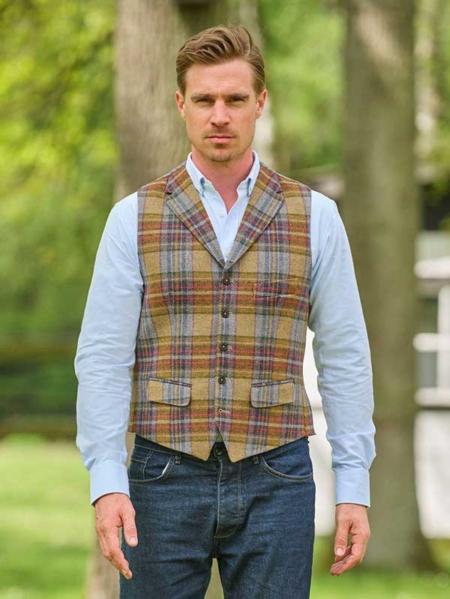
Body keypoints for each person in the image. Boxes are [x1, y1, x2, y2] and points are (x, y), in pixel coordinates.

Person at [74, 24, 376, 599]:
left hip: (278, 476)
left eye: (235, 99)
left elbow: (346, 355)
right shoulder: (133, 217)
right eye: (205, 99)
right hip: (162, 475)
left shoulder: (316, 216)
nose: (219, 115)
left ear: (260, 103)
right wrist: (107, 480)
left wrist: (354, 484)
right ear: (180, 104)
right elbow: (103, 358)